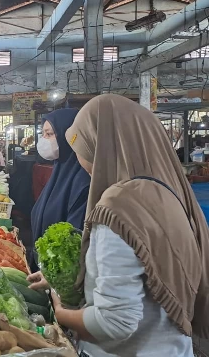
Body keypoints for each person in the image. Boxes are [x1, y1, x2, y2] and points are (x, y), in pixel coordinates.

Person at [28, 94, 209, 356]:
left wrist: (61, 311)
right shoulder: (166, 192)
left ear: (102, 145)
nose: (79, 155)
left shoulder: (118, 209)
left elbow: (114, 322)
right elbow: (143, 272)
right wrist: (66, 279)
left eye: (81, 144)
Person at [30, 109, 90, 267]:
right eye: (42, 134)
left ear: (67, 136)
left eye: (49, 134)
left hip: (58, 279)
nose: (43, 140)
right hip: (45, 272)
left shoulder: (83, 182)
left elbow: (73, 242)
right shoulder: (59, 171)